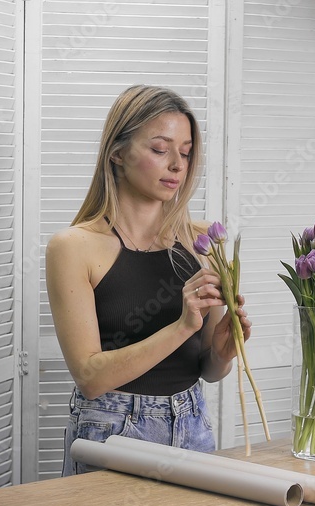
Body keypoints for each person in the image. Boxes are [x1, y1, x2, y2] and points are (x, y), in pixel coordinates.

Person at [45, 85, 252, 477]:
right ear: (118, 153)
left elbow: (208, 369)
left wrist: (224, 349)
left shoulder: (203, 241)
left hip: (193, 423)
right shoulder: (74, 247)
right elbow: (91, 378)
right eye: (161, 149)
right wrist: (182, 326)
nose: (177, 165)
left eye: (186, 152)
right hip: (113, 433)